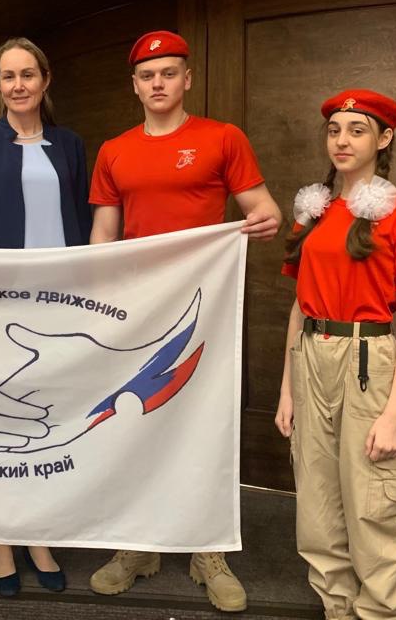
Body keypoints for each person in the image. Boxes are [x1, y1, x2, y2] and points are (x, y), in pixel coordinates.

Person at [87, 30, 282, 613]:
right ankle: (138, 544)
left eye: (168, 73)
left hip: (205, 306)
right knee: (136, 418)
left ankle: (207, 550)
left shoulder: (222, 138)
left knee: (206, 422)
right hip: (138, 308)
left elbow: (262, 209)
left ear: (187, 79)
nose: (158, 84)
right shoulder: (114, 150)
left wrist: (265, 220)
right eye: (148, 76)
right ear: (135, 86)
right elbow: (103, 233)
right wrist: (97, 296)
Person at [275, 89, 396, 620]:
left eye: (357, 130)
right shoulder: (313, 213)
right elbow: (299, 306)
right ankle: (337, 608)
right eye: (334, 130)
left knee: (372, 504)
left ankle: (385, 612)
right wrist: (287, 389)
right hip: (311, 357)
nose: (342, 140)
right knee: (317, 505)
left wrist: (395, 412)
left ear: (384, 139)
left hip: (370, 360)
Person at [0, 37, 90, 595]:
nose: (18, 85)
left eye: (27, 74)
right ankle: (0, 538)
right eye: (8, 76)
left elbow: (83, 222)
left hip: (58, 304)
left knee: (48, 417)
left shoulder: (71, 145)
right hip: (0, 303)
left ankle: (38, 533)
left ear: (45, 79)